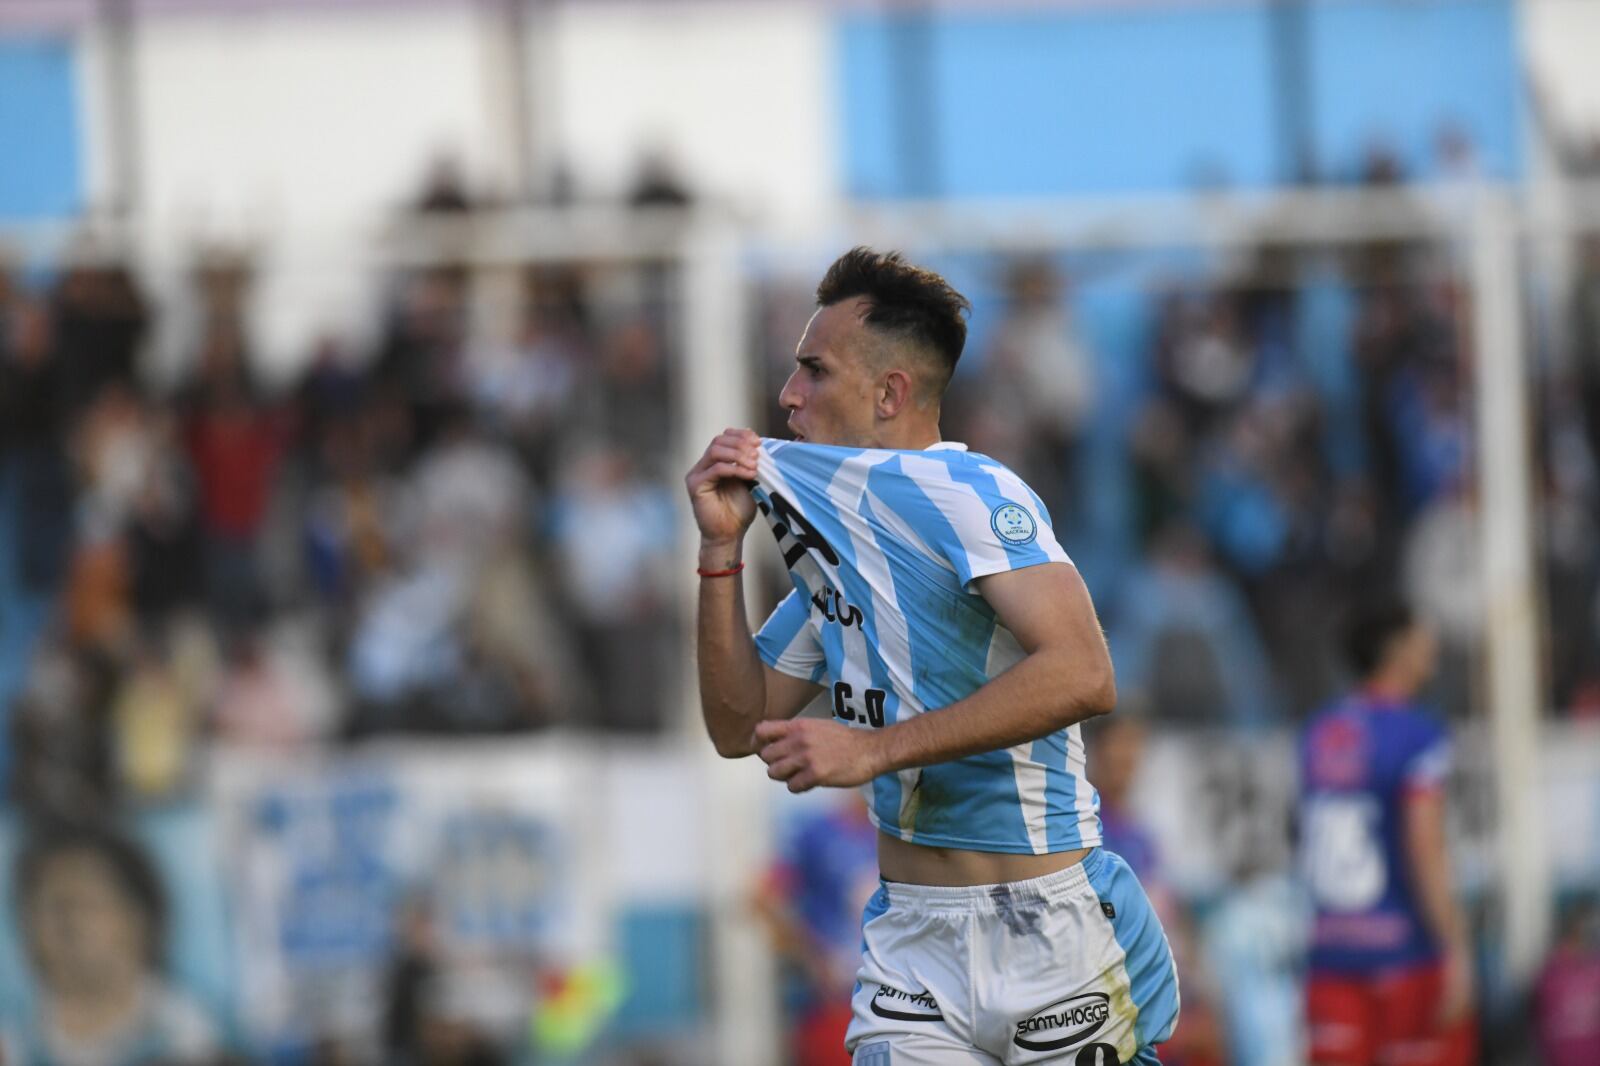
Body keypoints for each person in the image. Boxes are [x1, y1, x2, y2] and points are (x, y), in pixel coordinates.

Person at [686, 248, 1179, 1064]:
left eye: (814, 370)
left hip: (1047, 932)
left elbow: (1085, 673)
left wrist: (871, 749)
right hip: (911, 946)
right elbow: (738, 724)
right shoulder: (835, 555)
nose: (788, 395)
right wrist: (718, 557)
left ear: (889, 393)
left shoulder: (976, 496)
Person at [1299, 597, 1475, 1066]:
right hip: (1406, 956)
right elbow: (1424, 844)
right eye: (1422, 633)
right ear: (1398, 647)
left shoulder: (1318, 730)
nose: (1431, 642)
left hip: (1331, 956)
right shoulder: (1417, 734)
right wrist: (1454, 946)